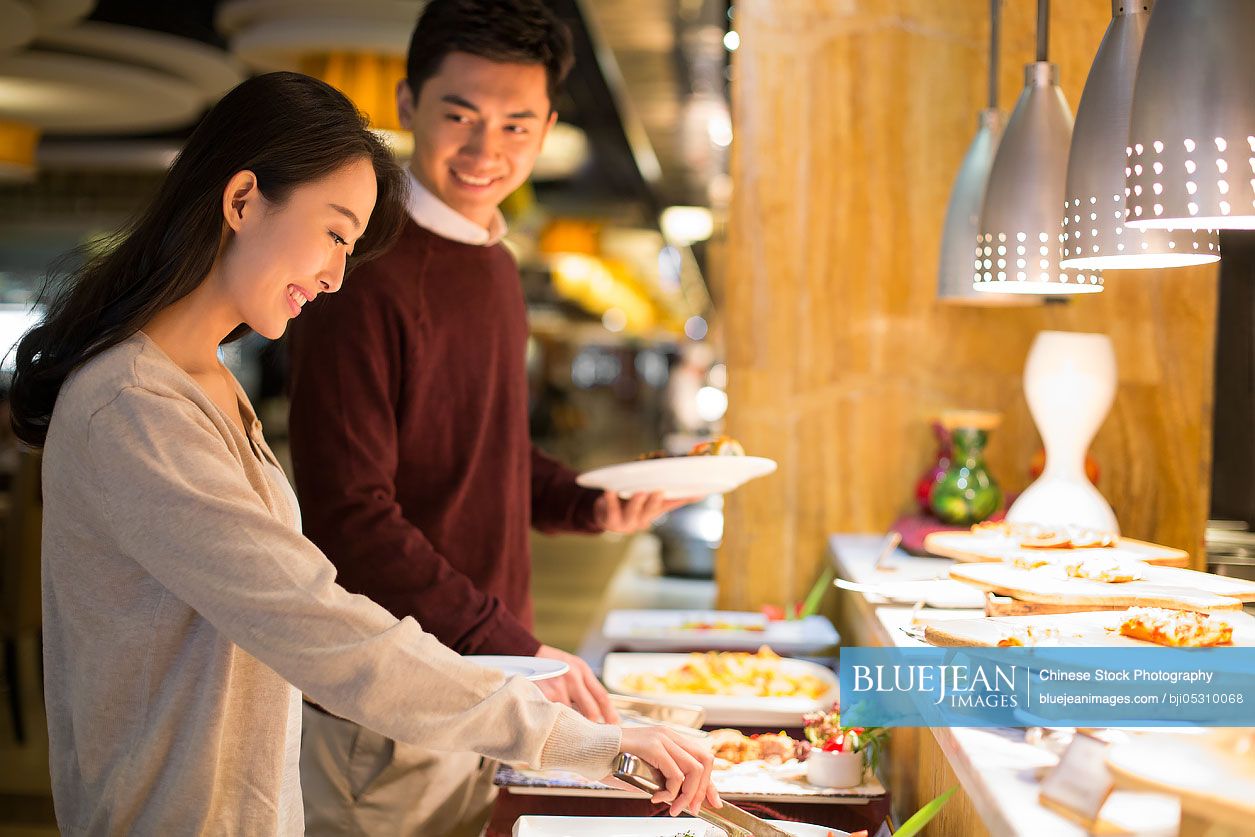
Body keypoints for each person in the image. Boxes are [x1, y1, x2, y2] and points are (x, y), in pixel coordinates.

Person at [7, 71, 716, 836]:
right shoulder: (133, 405)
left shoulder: (206, 382)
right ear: (242, 200)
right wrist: (582, 740)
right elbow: (319, 623)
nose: (337, 275)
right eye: (336, 233)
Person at [287, 3, 698, 834]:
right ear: (406, 105)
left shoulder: (494, 263)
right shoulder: (360, 270)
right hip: (391, 704)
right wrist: (505, 641)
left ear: (546, 126)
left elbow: (484, 451)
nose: (486, 151)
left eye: (516, 124)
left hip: (484, 684)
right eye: (460, 116)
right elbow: (349, 515)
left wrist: (587, 499)